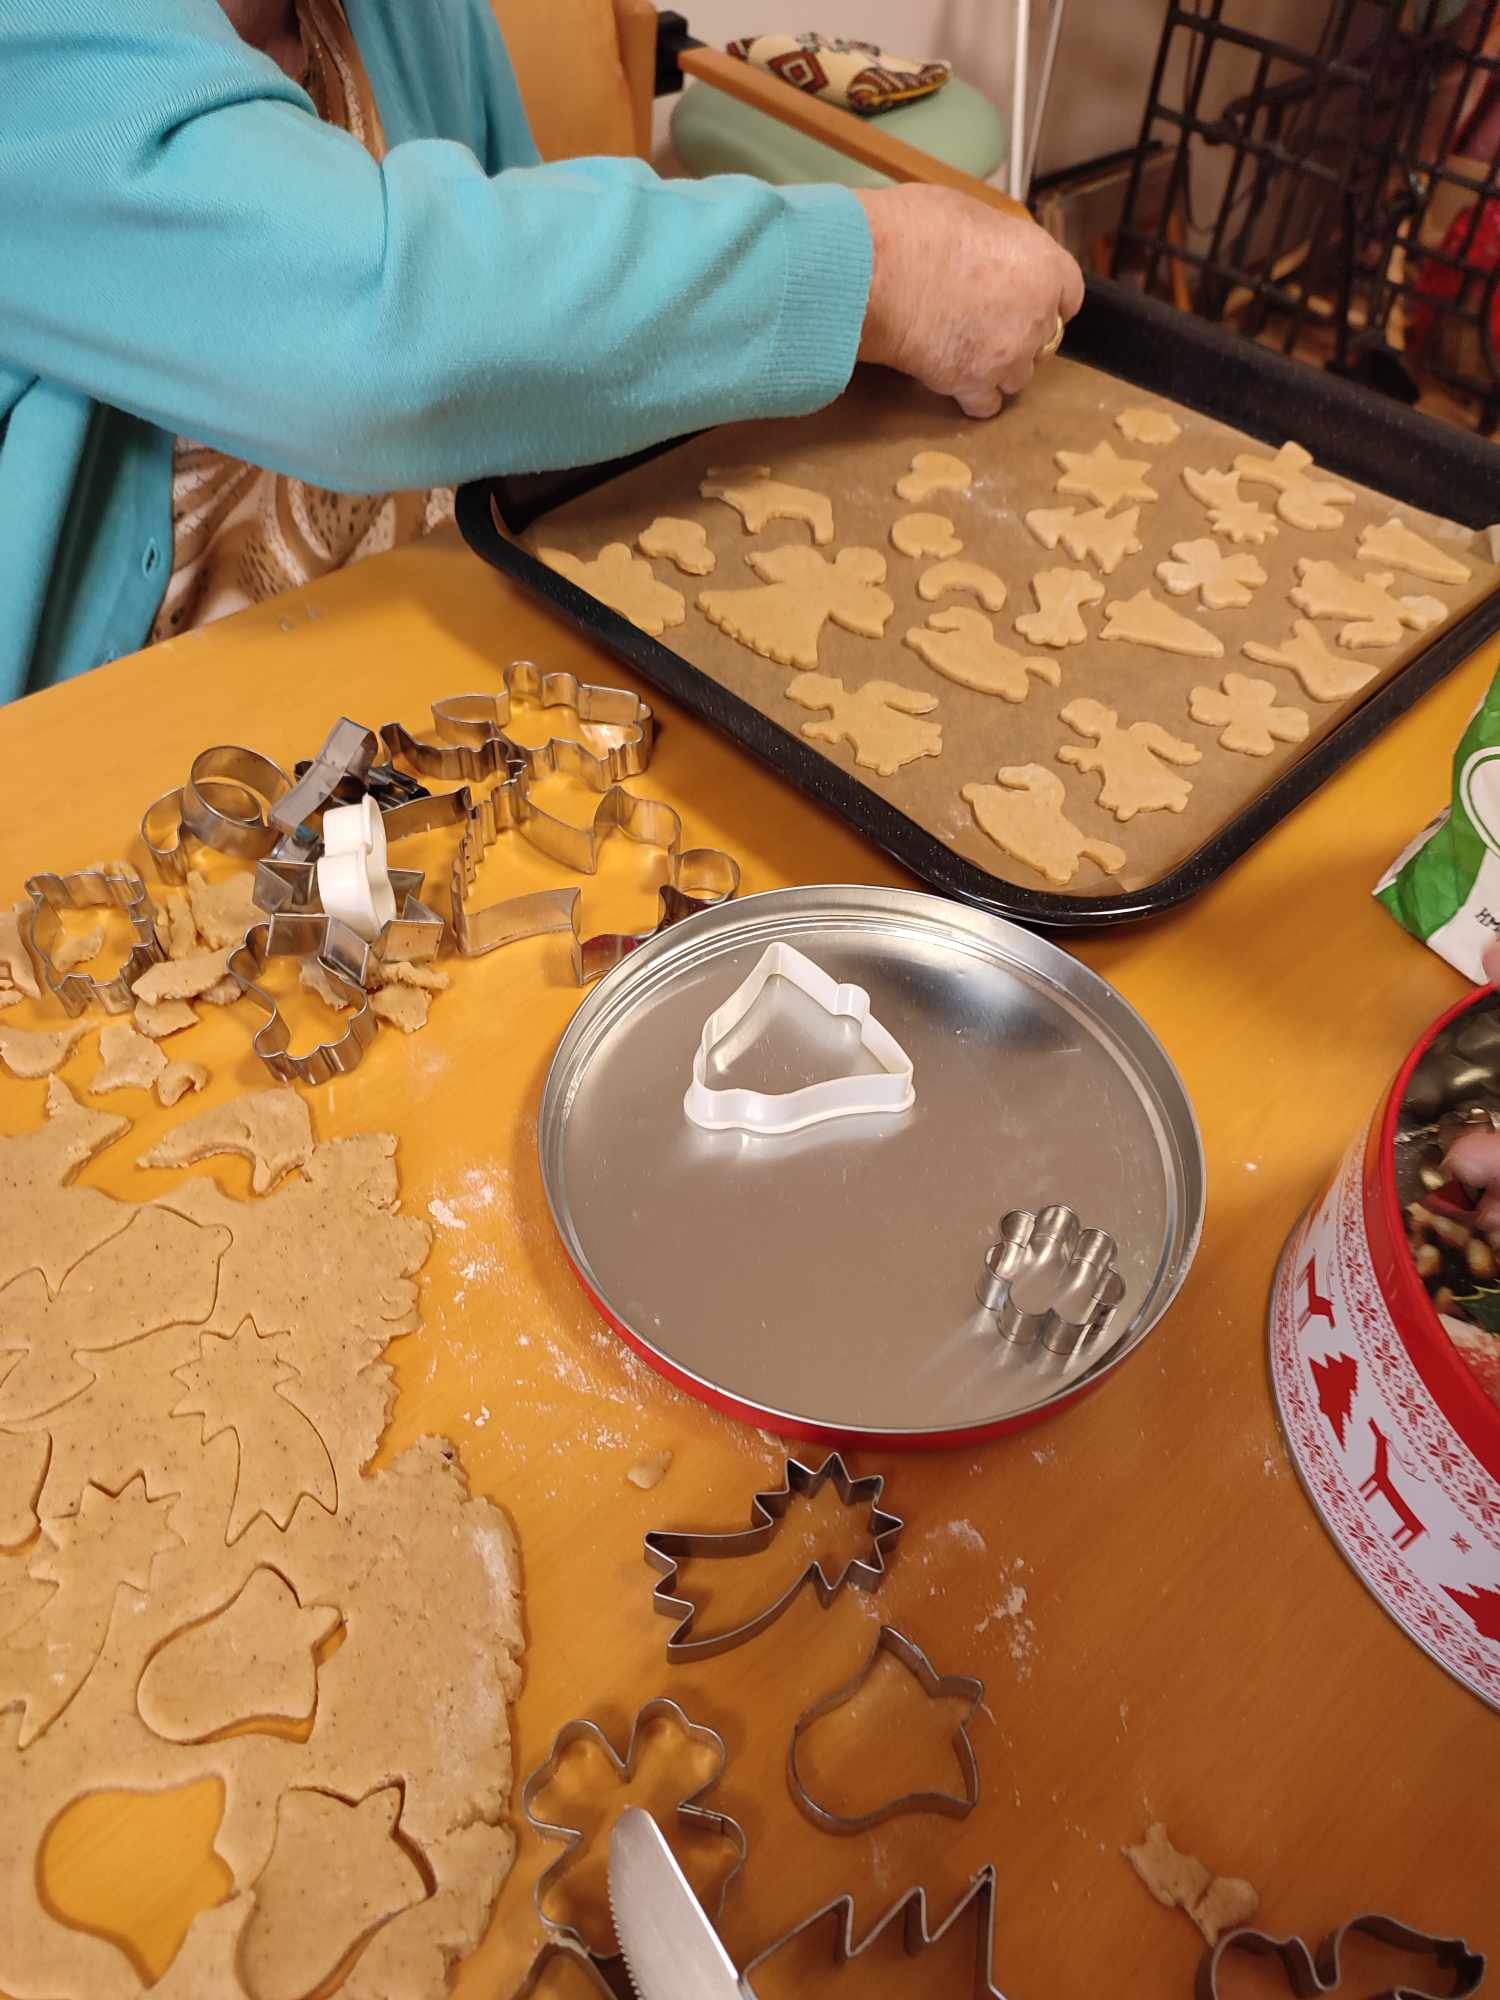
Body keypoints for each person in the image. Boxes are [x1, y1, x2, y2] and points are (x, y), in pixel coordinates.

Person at [0, 0, 1084, 704]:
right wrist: (883, 273)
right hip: (125, 769)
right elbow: (392, 331)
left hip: (441, 674)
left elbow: (542, 349)